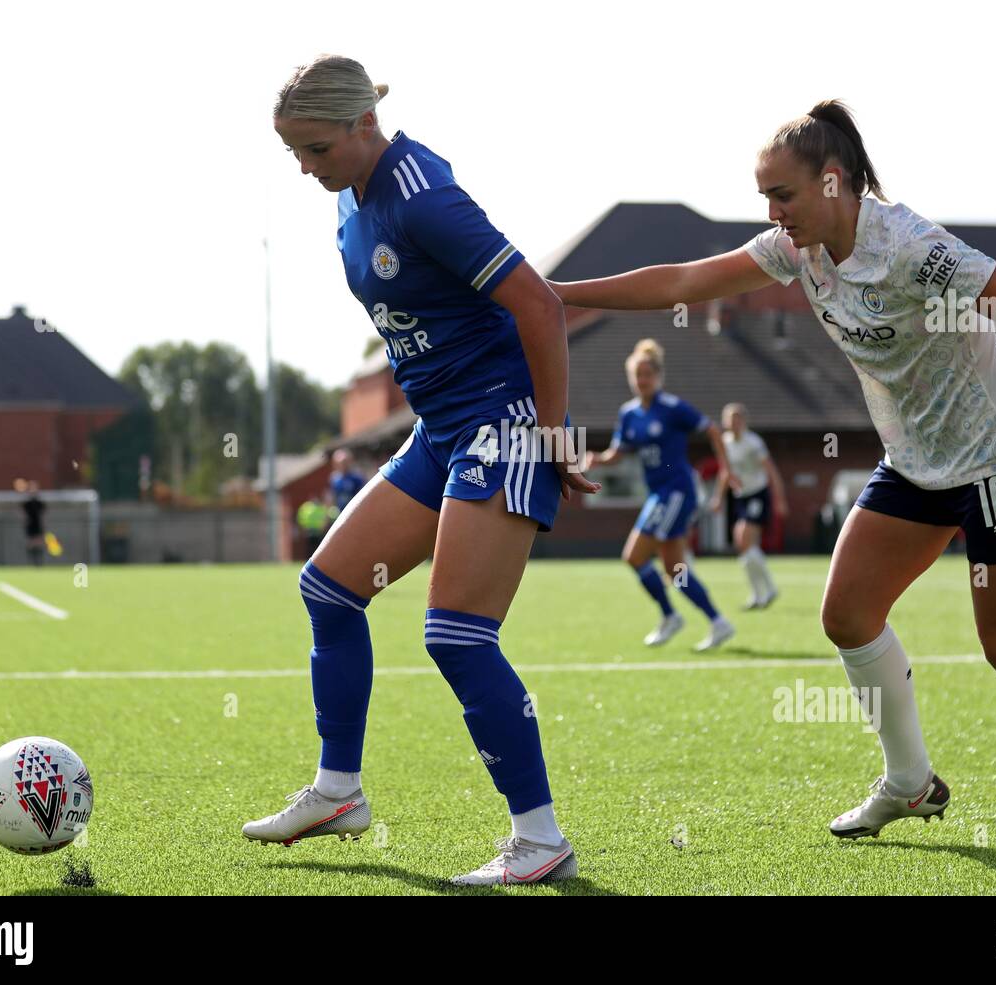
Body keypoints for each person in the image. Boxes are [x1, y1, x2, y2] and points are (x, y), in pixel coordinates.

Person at [550, 101, 996, 851]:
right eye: (764, 197)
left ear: (831, 182)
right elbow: (685, 280)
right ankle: (910, 782)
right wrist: (556, 293)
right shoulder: (799, 248)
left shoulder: (913, 245)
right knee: (847, 613)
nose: (770, 211)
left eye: (780, 195)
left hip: (995, 452)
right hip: (915, 462)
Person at [243, 55, 598, 885]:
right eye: (294, 151)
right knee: (328, 588)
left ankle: (540, 839)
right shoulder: (350, 195)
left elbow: (539, 304)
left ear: (365, 124)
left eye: (317, 149)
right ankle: (339, 792)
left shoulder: (422, 196)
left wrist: (548, 436)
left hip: (501, 425)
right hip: (442, 431)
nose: (306, 167)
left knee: (457, 634)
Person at [582, 339, 736, 652]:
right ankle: (718, 622)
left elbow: (713, 430)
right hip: (658, 494)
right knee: (674, 570)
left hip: (677, 492)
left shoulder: (673, 408)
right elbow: (620, 451)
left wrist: (725, 469)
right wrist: (598, 459)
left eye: (647, 375)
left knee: (634, 556)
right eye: (637, 375)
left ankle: (670, 616)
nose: (642, 381)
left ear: (658, 376)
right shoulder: (629, 414)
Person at [712, 403, 788, 609]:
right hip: (742, 497)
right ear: (725, 422)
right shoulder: (725, 443)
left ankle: (770, 589)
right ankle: (757, 594)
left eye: (737, 418)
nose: (733, 422)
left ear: (743, 421)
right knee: (742, 543)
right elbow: (724, 472)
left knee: (745, 537)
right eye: (729, 418)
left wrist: (780, 499)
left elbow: (771, 472)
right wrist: (718, 498)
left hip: (758, 495)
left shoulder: (753, 443)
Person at [327, 448, 366, 513]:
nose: (342, 465)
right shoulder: (334, 479)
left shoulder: (357, 476)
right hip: (342, 513)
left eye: (344, 462)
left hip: (357, 511)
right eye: (339, 463)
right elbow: (333, 496)